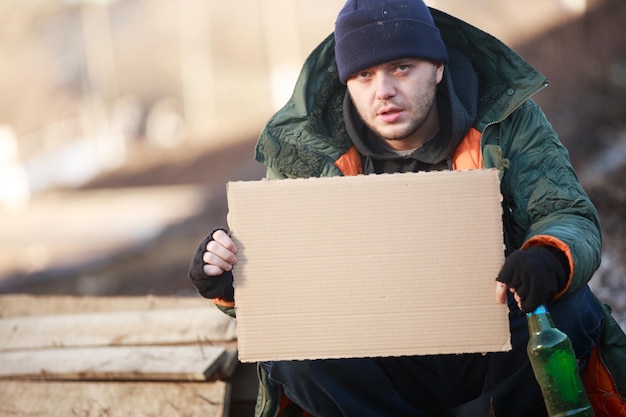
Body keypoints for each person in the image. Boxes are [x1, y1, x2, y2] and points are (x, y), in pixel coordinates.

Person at [189, 1, 626, 416]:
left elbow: (565, 212)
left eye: (401, 68)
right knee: (292, 353)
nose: (384, 91)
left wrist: (546, 255)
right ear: (347, 82)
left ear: (437, 67)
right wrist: (233, 282)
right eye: (363, 75)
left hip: (492, 337)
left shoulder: (505, 121)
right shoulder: (307, 153)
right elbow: (286, 284)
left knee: (572, 311)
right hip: (375, 352)